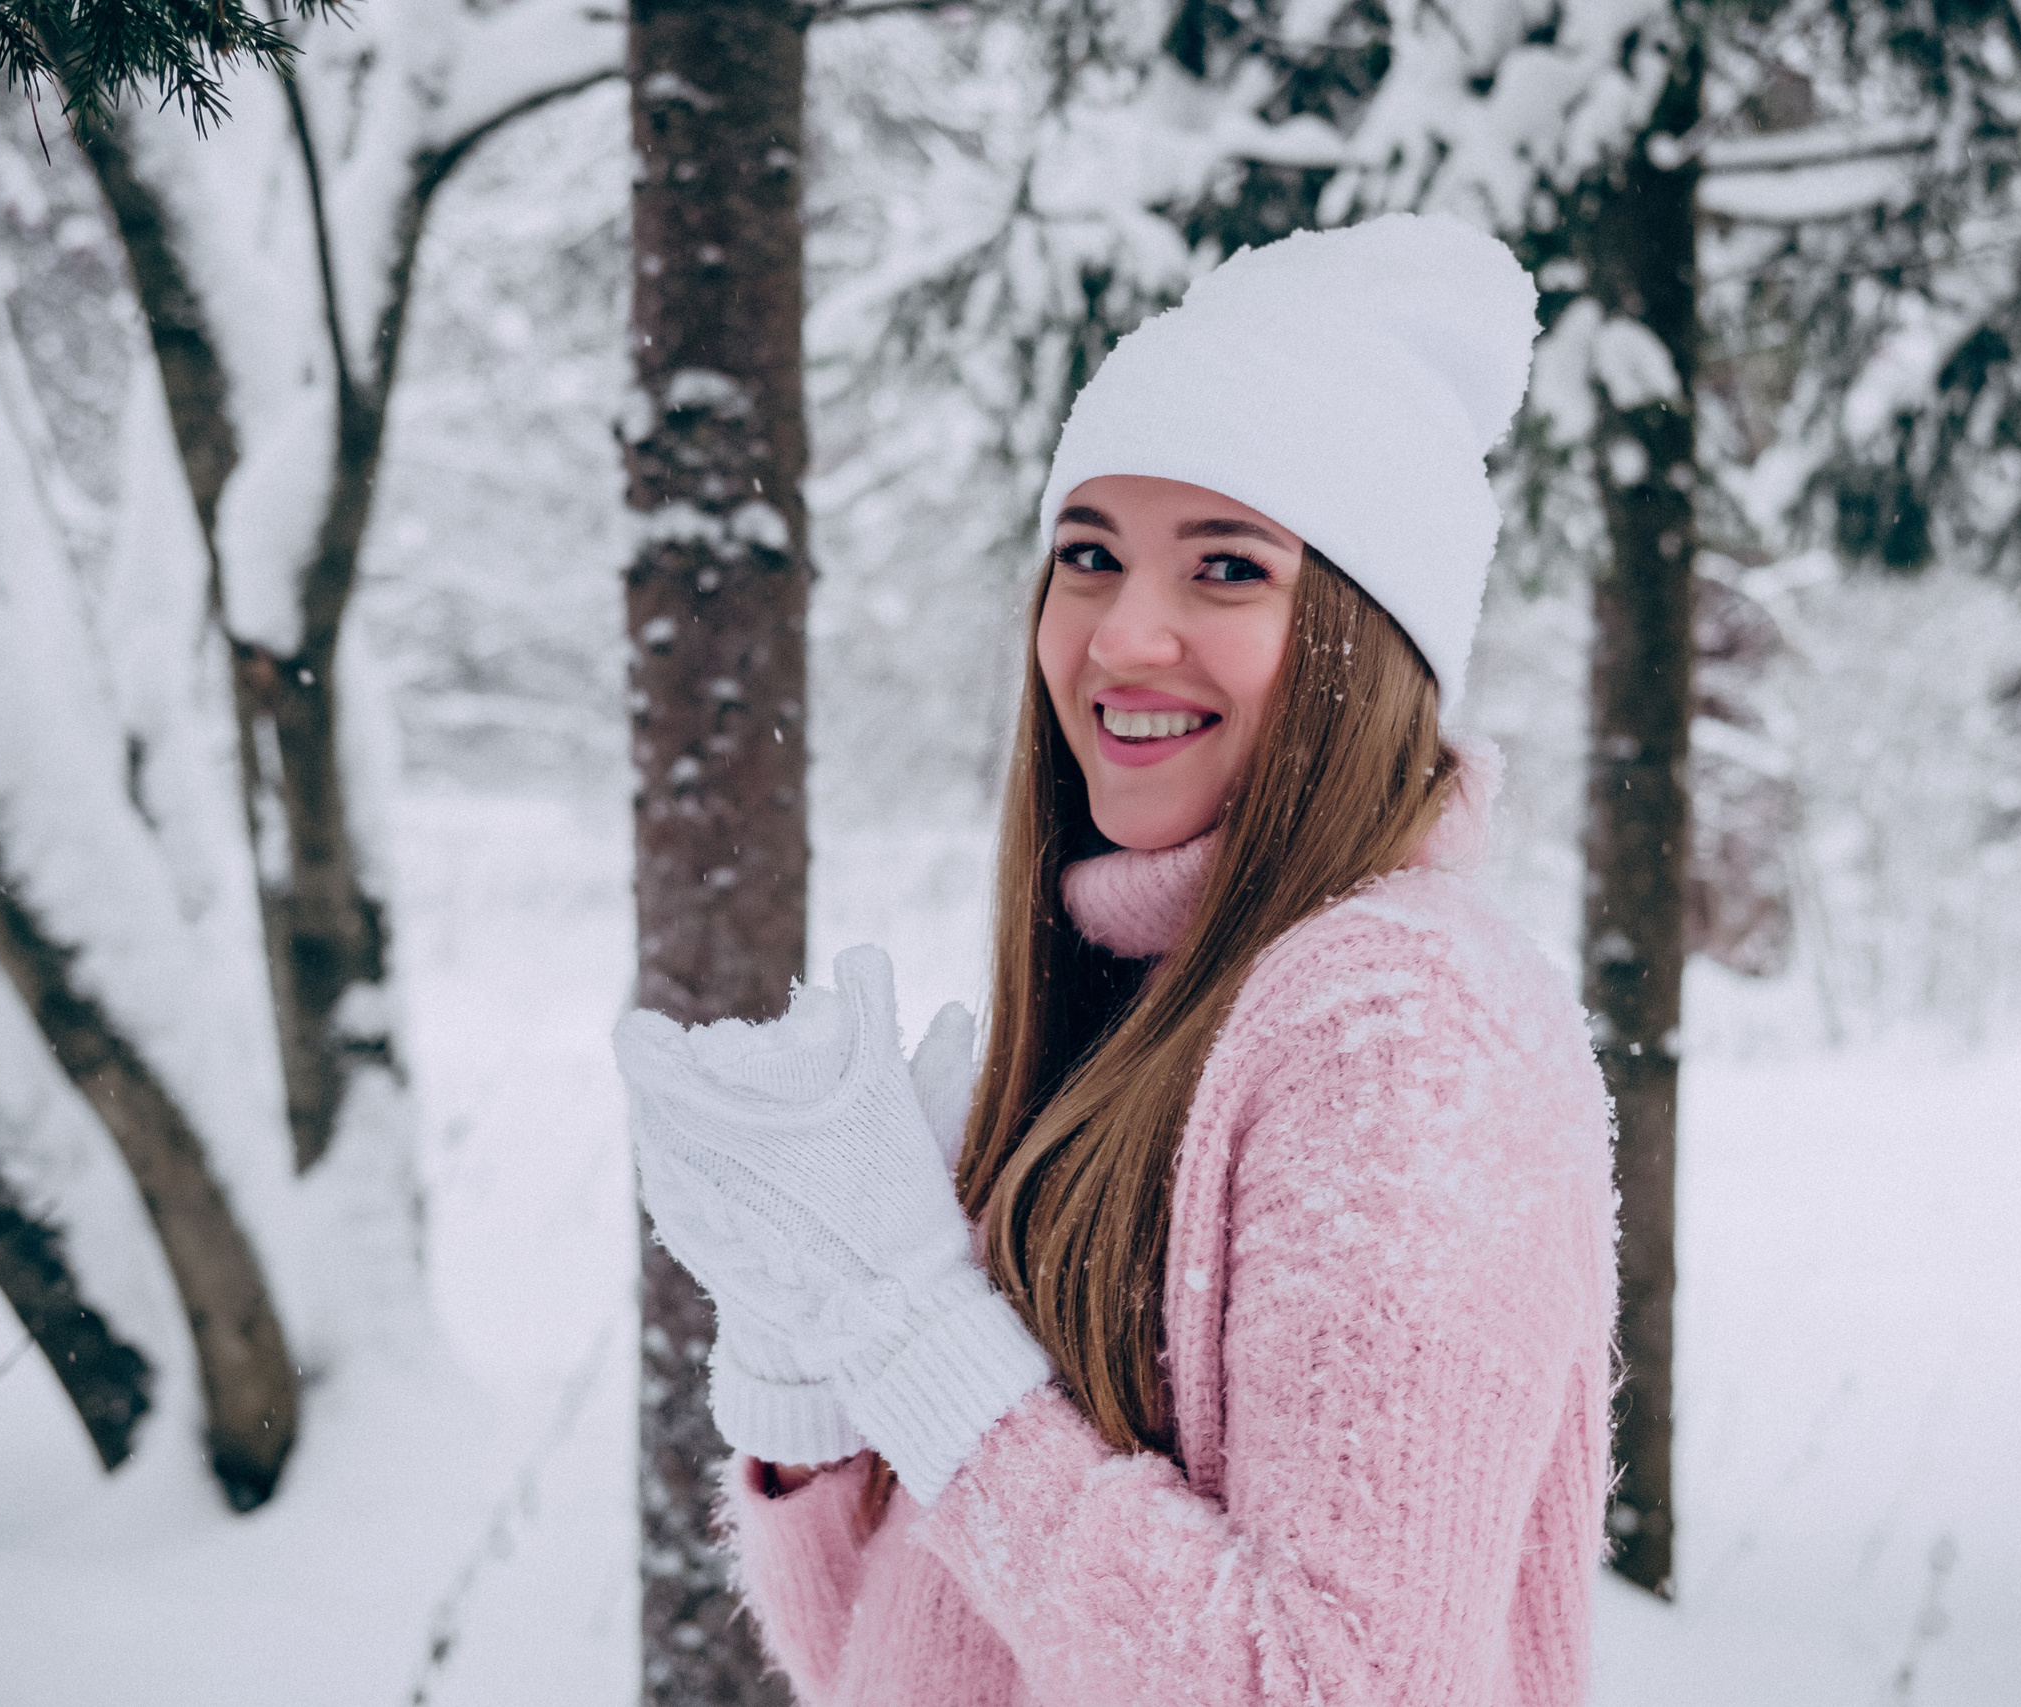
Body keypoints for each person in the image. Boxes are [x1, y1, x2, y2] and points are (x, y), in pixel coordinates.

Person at [614, 213, 1616, 1706]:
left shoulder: (1400, 1030)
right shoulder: (1141, 1002)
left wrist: (913, 1326)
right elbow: (904, 1667)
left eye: (1227, 568)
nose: (1123, 635)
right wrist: (800, 1346)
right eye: (1089, 555)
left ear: (1366, 637)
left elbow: (1336, 1687)